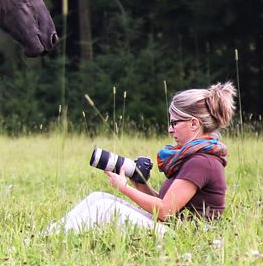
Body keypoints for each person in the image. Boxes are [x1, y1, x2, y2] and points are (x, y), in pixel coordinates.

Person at [46, 82, 236, 234]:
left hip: (185, 238)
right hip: (173, 230)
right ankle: (48, 236)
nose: (170, 129)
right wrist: (140, 185)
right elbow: (169, 206)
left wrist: (124, 188)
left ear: (194, 124)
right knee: (97, 197)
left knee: (104, 206)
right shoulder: (196, 156)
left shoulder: (202, 161)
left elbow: (164, 211)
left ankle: (52, 240)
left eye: (174, 123)